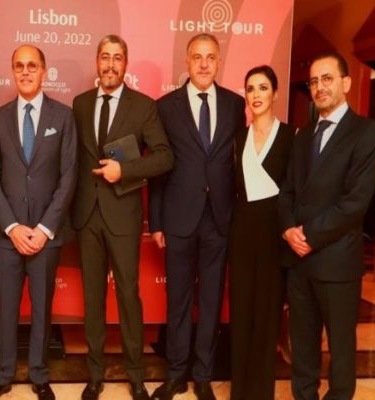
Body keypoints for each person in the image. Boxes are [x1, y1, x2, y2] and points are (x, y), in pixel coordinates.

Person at [278, 51, 375, 400]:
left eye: (327, 79)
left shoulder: (367, 133)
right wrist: (288, 229)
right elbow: (287, 190)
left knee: (340, 351)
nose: (319, 87)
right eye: (314, 81)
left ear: (346, 83)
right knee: (302, 348)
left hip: (336, 262)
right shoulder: (303, 135)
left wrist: (308, 235)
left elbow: (354, 202)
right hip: (299, 261)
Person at [72, 34, 173, 400]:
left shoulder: (143, 106)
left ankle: (135, 374)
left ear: (125, 64)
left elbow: (164, 156)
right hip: (87, 215)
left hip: (123, 215)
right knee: (93, 298)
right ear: (97, 62)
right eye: (105, 57)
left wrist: (124, 170)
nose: (110, 64)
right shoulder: (80, 103)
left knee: (129, 296)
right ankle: (95, 374)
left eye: (117, 58)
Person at [148, 33, 245, 400]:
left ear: (218, 62)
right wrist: (156, 221)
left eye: (210, 57)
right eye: (197, 57)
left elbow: (241, 162)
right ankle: (176, 373)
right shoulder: (165, 107)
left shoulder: (235, 104)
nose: (204, 64)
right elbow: (158, 168)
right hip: (178, 219)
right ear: (187, 62)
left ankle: (203, 375)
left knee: (211, 302)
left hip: (219, 219)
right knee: (178, 300)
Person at [0, 44, 77, 400]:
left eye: (32, 66)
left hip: (45, 235)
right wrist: (12, 227)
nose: (25, 71)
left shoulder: (63, 117)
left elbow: (69, 177)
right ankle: (3, 375)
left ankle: (39, 374)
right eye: (19, 65)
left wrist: (43, 229)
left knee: (42, 309)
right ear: (12, 71)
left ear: (44, 71)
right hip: (9, 236)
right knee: (6, 309)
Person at [228, 65, 294, 400]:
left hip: (273, 236)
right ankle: (240, 391)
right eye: (251, 88)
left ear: (275, 93)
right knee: (241, 314)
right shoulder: (239, 137)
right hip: (241, 233)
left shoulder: (291, 136)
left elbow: (293, 191)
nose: (256, 94)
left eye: (263, 87)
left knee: (266, 318)